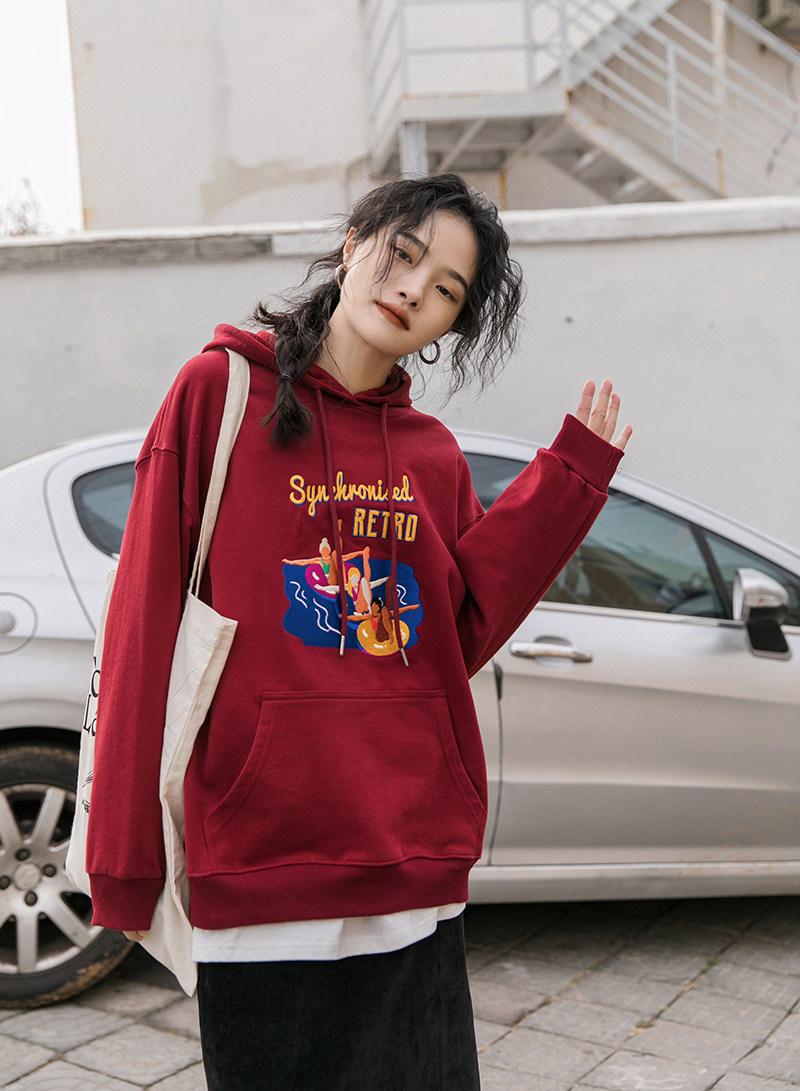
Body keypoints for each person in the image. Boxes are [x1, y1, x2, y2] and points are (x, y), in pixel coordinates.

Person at [86, 173, 632, 1090]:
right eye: (403, 253)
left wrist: (566, 482)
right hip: (263, 877)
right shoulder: (218, 394)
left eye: (446, 288)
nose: (414, 288)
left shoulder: (432, 456)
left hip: (410, 872)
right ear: (352, 244)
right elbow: (142, 622)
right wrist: (123, 859)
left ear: (451, 323)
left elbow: (453, 635)